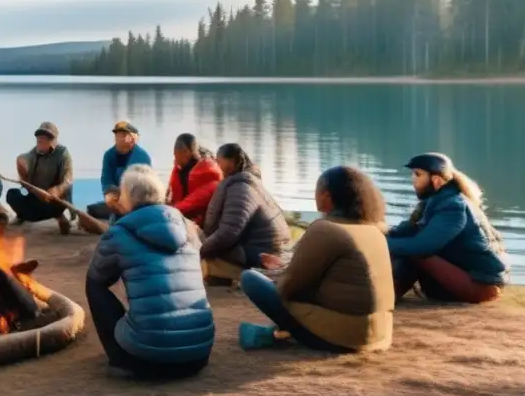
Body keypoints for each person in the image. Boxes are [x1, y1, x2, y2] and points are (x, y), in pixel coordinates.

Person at [238, 166, 395, 353]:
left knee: (250, 279)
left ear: (326, 196)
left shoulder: (326, 229)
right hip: (380, 335)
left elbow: (288, 288)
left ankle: (286, 332)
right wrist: (285, 268)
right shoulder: (375, 230)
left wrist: (278, 275)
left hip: (346, 338)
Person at [85, 164, 214, 379]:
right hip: (198, 355)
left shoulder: (119, 232)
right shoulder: (188, 226)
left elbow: (99, 276)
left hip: (145, 360)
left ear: (126, 197)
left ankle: (119, 358)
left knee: (94, 283)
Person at [388, 153, 508, 304]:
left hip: (482, 286)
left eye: (418, 174)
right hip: (464, 276)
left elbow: (422, 246)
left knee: (417, 252)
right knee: (406, 244)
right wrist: (378, 235)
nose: (413, 179)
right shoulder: (434, 201)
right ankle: (385, 292)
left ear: (436, 180)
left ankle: (386, 295)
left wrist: (382, 244)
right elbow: (405, 231)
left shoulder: (453, 206)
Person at [200, 143, 291, 275]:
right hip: (270, 246)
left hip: (262, 252)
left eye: (219, 161)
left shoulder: (241, 188)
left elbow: (229, 232)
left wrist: (201, 249)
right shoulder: (251, 182)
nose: (217, 166)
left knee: (207, 247)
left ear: (231, 161)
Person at [6, 121, 74, 235]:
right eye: (39, 136)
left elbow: (68, 180)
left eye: (45, 137)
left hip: (54, 201)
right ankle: (22, 215)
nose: (40, 139)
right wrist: (20, 164)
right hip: (37, 197)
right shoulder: (34, 152)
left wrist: (57, 190)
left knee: (56, 206)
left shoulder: (63, 154)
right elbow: (23, 159)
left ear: (53, 140)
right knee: (12, 195)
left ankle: (60, 216)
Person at [86, 121, 152, 222]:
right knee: (91, 209)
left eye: (124, 135)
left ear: (133, 139)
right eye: (117, 135)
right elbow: (106, 179)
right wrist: (109, 193)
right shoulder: (109, 155)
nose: (120, 138)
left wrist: (127, 198)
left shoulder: (142, 157)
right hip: (117, 198)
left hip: (136, 200)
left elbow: (145, 187)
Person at [166, 133, 223, 229]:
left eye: (176, 155)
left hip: (202, 226)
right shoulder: (180, 169)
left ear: (186, 152)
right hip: (180, 218)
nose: (175, 159)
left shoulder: (209, 174)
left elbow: (194, 202)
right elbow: (170, 196)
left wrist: (167, 212)